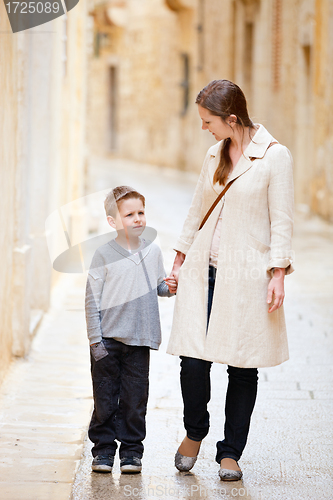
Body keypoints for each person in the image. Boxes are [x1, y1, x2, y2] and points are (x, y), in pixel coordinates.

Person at [166, 80, 294, 481]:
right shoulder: (213, 153)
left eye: (209, 121)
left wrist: (278, 274)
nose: (204, 127)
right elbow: (196, 208)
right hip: (204, 269)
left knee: (242, 365)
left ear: (232, 119)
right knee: (193, 358)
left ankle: (230, 453)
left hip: (247, 275)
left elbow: (282, 221)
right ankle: (194, 431)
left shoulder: (275, 157)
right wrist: (179, 257)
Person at [85, 186, 175, 474]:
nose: (137, 219)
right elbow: (91, 299)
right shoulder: (103, 254)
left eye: (141, 213)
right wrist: (94, 340)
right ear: (112, 221)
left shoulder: (153, 250)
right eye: (129, 215)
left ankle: (132, 453)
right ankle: (103, 451)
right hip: (107, 341)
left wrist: (170, 287)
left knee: (135, 400)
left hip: (139, 340)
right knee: (105, 398)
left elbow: (158, 286)